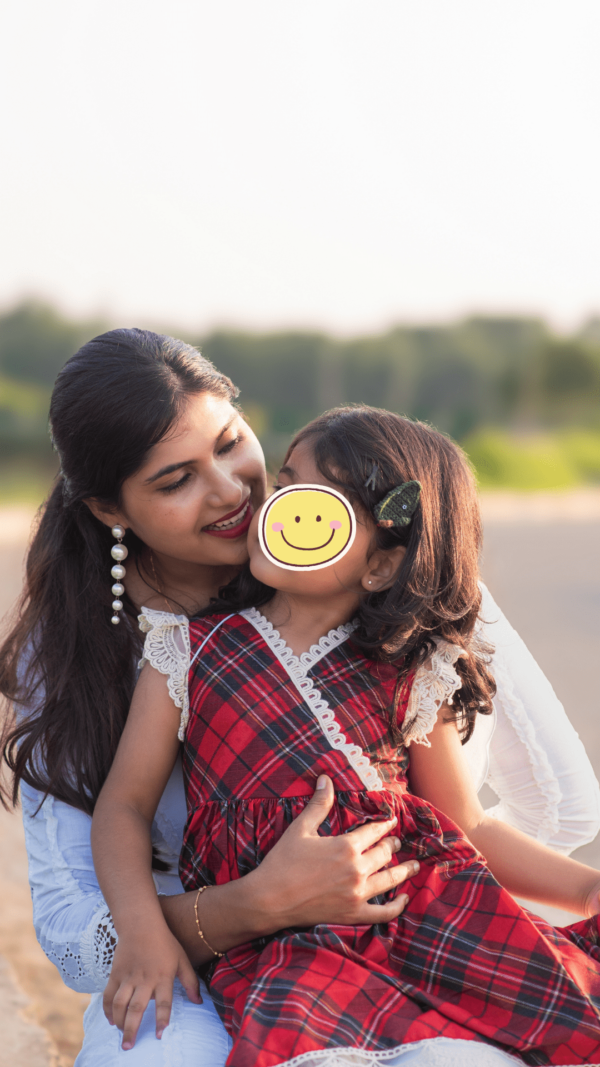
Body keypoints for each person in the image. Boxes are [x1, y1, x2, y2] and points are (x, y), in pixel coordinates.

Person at [1, 329, 598, 1067]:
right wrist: (252, 904)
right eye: (174, 480)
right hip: (225, 949)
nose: (232, 492)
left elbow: (478, 819)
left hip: (406, 923)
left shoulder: (402, 602)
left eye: (229, 443)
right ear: (110, 509)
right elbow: (92, 890)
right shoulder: (171, 650)